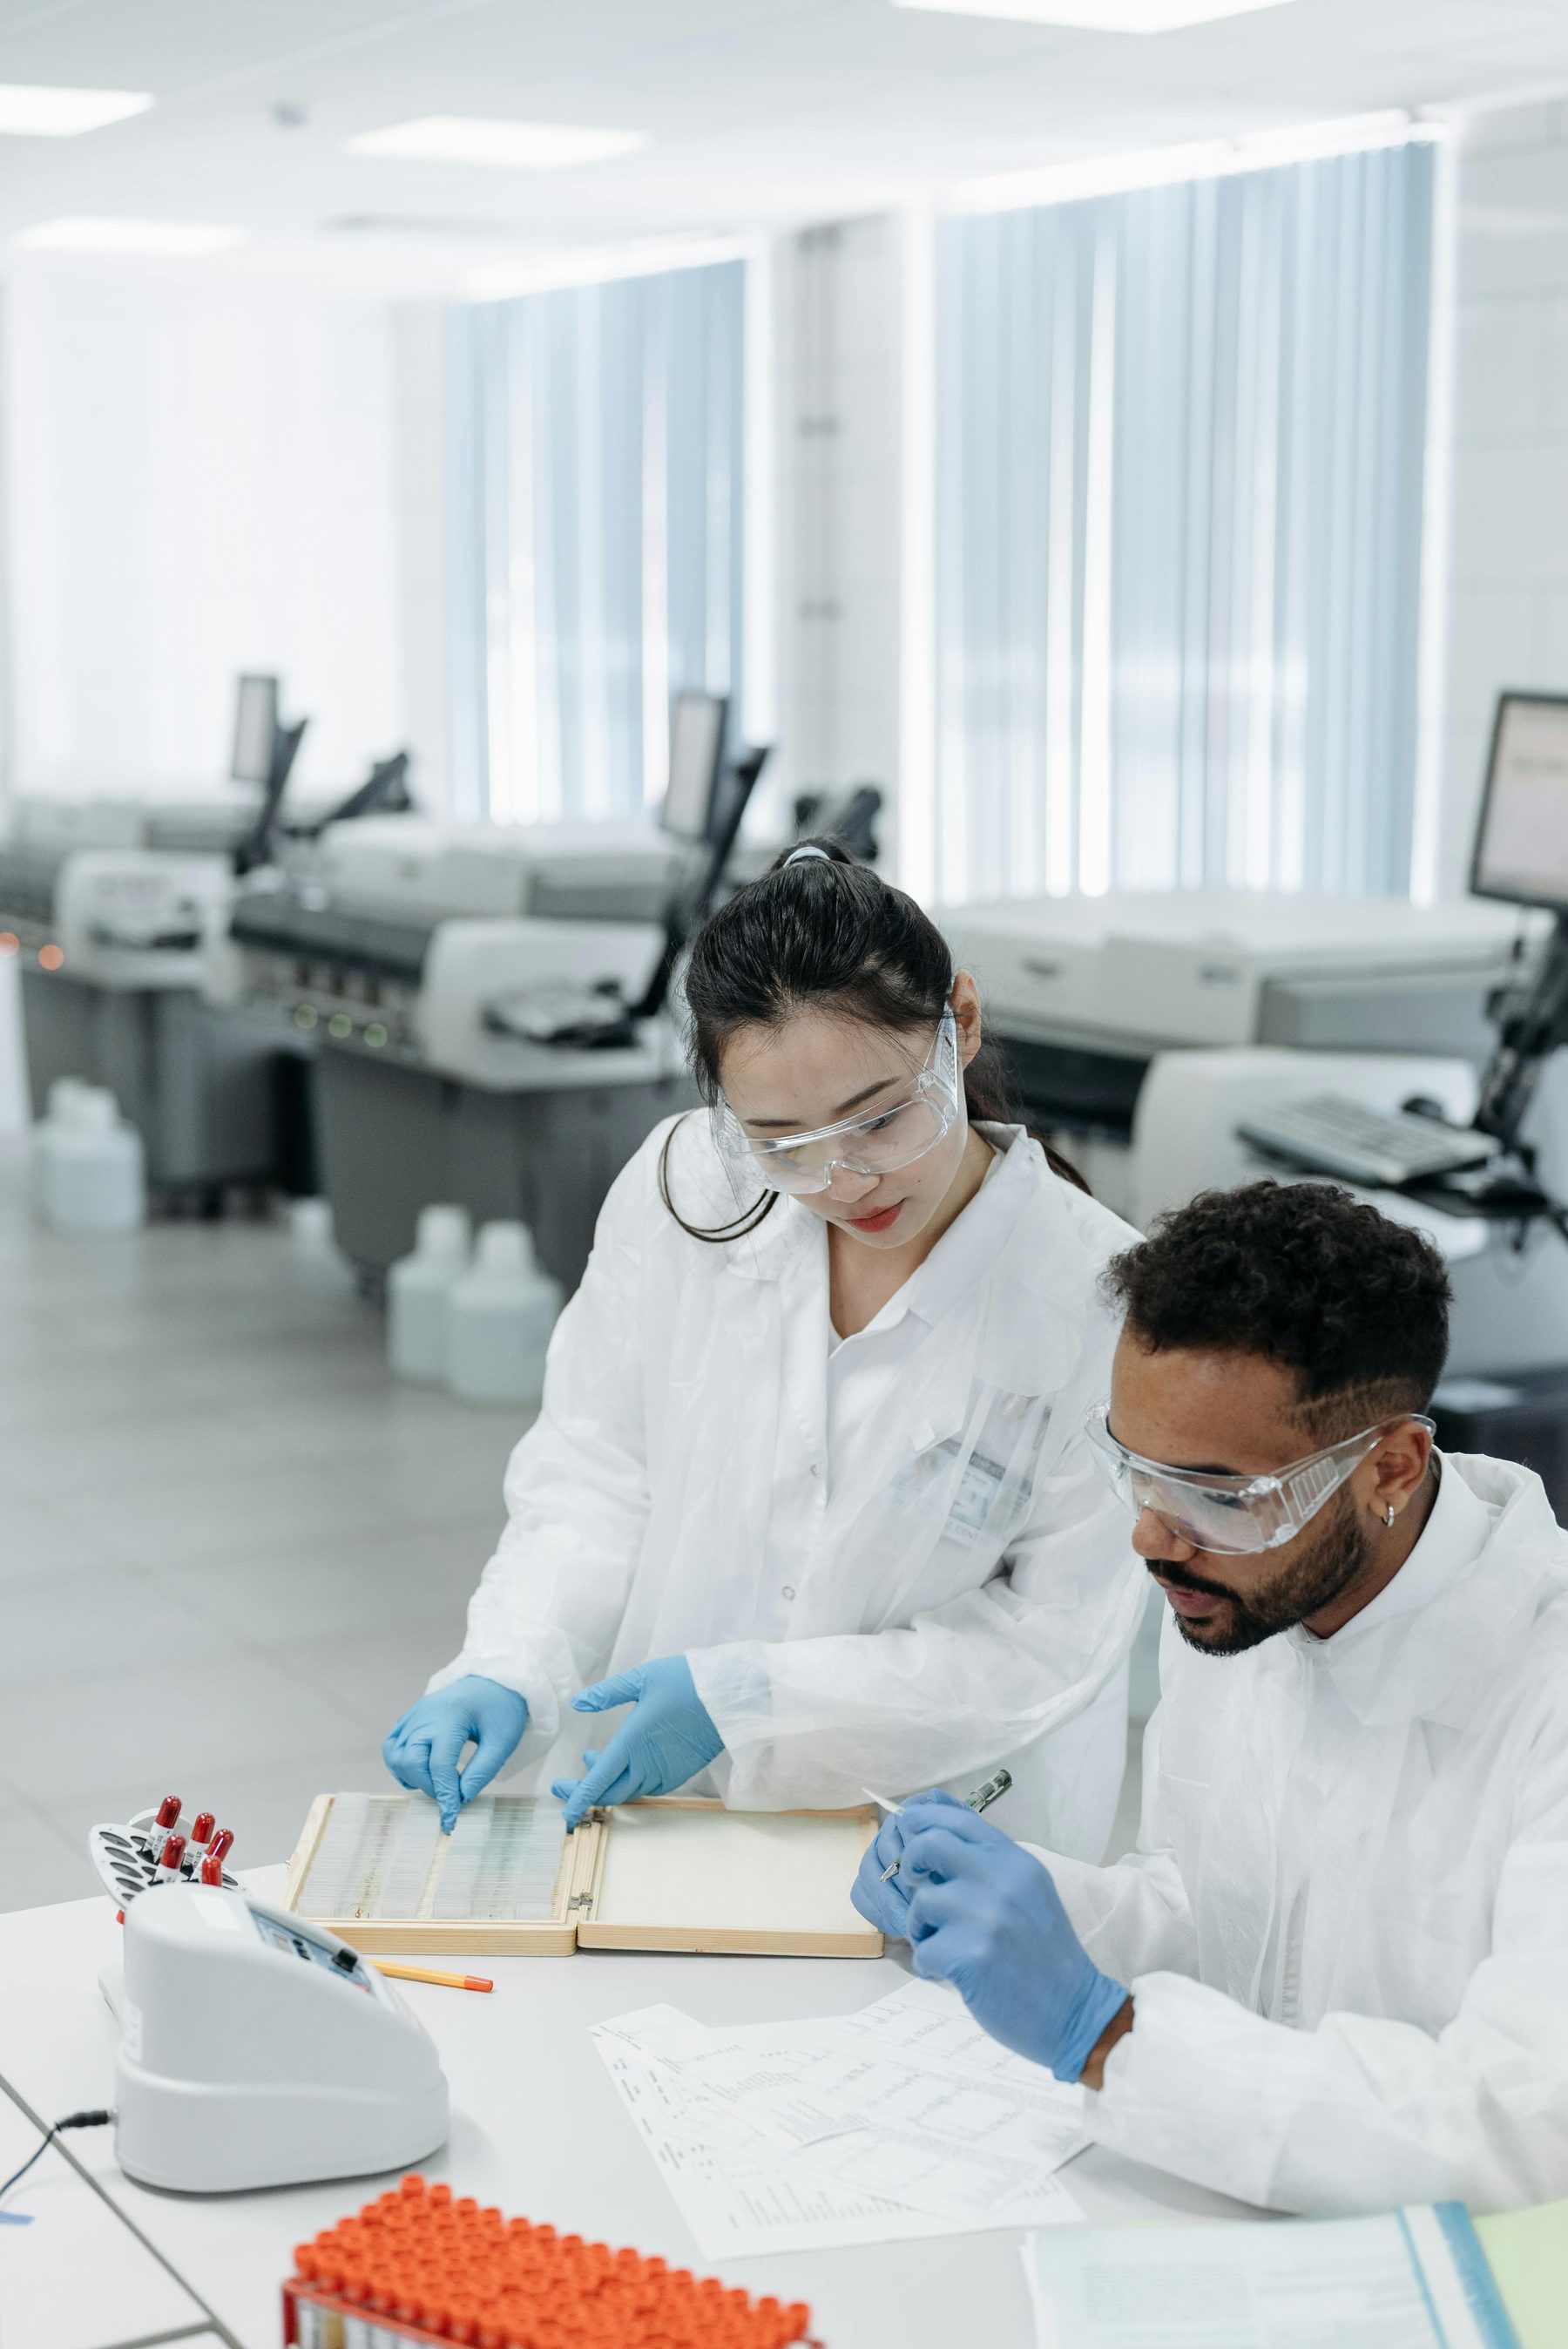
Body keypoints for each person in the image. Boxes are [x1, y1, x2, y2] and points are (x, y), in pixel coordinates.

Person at [383, 841, 1149, 1854]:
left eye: (881, 1118)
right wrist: (513, 1662)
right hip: (665, 1803)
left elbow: (1048, 1641)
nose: (843, 1180)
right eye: (782, 1140)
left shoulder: (1098, 1300)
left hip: (940, 1830)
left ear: (959, 1022)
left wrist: (753, 1700)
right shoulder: (687, 1188)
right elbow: (597, 1469)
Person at [853, 1181, 1568, 2216]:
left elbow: (1528, 2132)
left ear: (1391, 1467)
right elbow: (1222, 1916)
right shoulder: (1241, 1586)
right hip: (1235, 2216)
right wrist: (1035, 1904)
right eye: (1136, 1469)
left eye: (1215, 1491)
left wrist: (1107, 2036)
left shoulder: (1543, 1688)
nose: (1151, 1535)